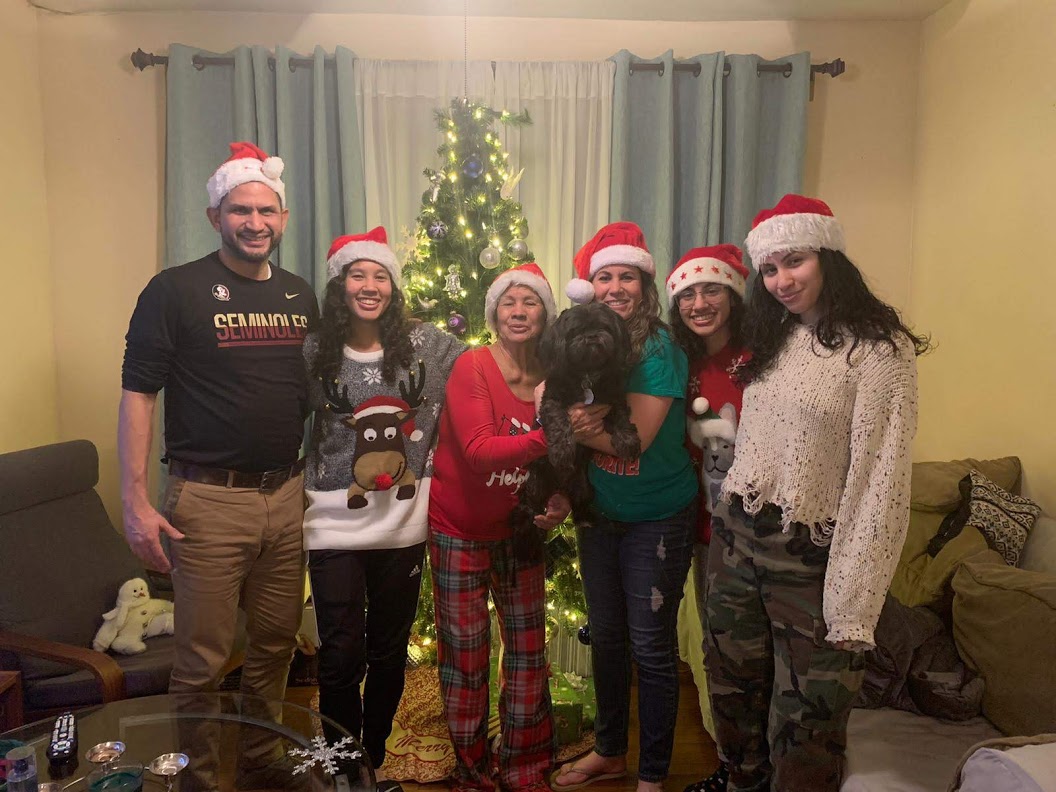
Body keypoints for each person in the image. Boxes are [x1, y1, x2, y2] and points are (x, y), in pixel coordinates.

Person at [706, 194, 928, 792]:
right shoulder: (775, 336)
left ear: (828, 254)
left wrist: (854, 601)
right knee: (732, 691)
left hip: (810, 555)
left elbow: (880, 484)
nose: (781, 280)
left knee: (807, 722)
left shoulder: (879, 351)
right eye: (770, 269)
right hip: (736, 538)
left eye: (794, 262)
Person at [120, 140, 317, 704]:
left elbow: (311, 392)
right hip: (208, 502)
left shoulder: (300, 295)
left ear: (282, 218)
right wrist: (136, 503)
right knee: (203, 660)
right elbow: (138, 395)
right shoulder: (173, 290)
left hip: (286, 497)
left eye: (265, 211)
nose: (254, 223)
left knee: (278, 643)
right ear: (215, 217)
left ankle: (262, 762)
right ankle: (200, 780)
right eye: (240, 211)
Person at [303, 227, 464, 791]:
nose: (369, 286)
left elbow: (499, 366)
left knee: (390, 649)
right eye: (357, 274)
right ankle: (342, 761)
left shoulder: (429, 349)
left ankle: (371, 759)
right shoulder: (314, 351)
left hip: (402, 523)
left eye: (380, 276)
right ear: (339, 284)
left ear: (393, 288)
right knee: (341, 652)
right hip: (331, 523)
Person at [551, 222, 699, 792]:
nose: (615, 286)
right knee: (606, 638)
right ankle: (610, 752)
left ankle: (653, 775)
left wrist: (559, 422)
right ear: (591, 287)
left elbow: (625, 438)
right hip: (600, 514)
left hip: (658, 517)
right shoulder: (585, 341)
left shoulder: (657, 347)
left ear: (645, 284)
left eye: (627, 277)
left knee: (651, 647)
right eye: (604, 276)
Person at [429, 263, 586, 792]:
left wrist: (560, 496)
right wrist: (560, 435)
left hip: (520, 530)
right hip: (459, 528)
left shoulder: (555, 374)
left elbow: (553, 469)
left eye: (531, 303)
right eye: (509, 303)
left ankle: (525, 765)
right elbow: (477, 453)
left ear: (546, 313)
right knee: (467, 655)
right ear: (493, 313)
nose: (519, 313)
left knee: (527, 650)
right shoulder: (473, 365)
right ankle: (472, 767)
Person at [664, 244, 750, 792]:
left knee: (745, 654)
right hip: (697, 529)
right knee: (717, 650)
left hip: (755, 533)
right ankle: (733, 766)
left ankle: (750, 769)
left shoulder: (761, 357)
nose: (699, 303)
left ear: (734, 295)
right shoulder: (678, 360)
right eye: (688, 293)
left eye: (711, 289)